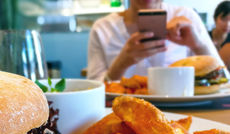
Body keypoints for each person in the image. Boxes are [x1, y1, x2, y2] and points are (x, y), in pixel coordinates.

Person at [87, 0, 223, 81]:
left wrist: (199, 46)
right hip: (123, 115)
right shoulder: (103, 29)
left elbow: (224, 79)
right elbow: (91, 91)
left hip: (186, 112)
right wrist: (120, 65)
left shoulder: (187, 17)